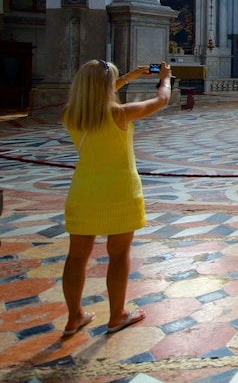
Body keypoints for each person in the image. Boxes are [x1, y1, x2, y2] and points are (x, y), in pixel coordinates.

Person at [59, 59, 172, 337]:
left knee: (76, 257)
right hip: (119, 191)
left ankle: (74, 317)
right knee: (119, 254)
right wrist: (166, 78)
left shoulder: (71, 114)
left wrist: (129, 77)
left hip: (83, 192)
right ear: (108, 86)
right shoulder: (119, 114)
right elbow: (161, 100)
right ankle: (117, 315)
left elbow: (96, 93)